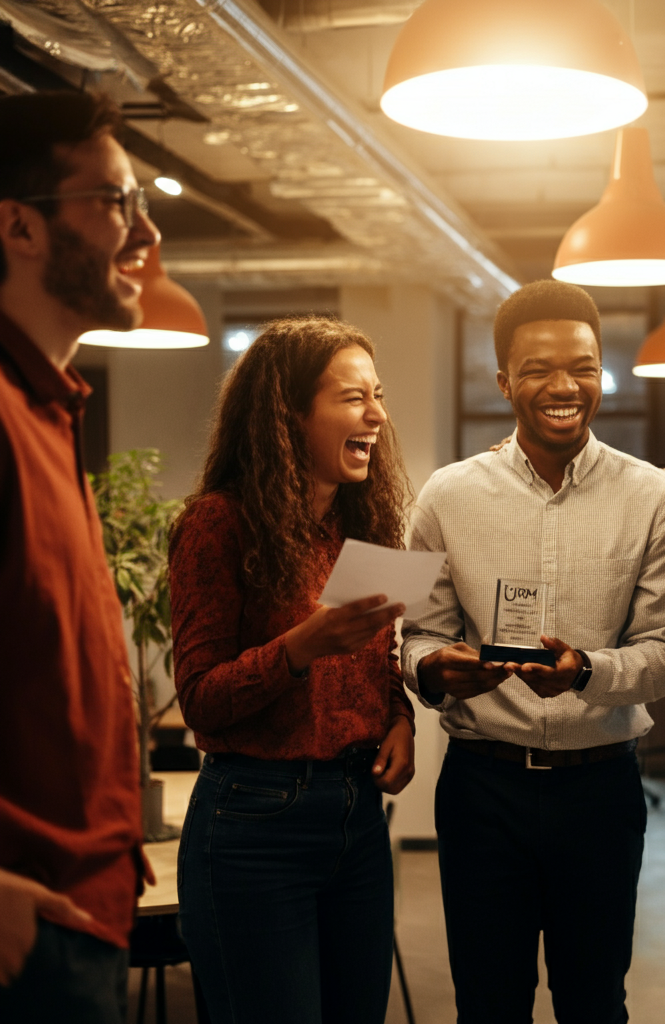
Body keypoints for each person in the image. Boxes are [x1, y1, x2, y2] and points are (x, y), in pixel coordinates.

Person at [401, 279, 665, 1024]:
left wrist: (587, 672)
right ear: (504, 380)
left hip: (600, 793)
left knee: (595, 1001)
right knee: (488, 1002)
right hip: (481, 791)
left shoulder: (652, 494)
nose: (565, 386)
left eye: (584, 367)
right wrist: (436, 670)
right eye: (537, 369)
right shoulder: (445, 496)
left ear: (603, 373)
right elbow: (418, 635)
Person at [169, 315, 416, 1024]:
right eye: (352, 397)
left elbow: (378, 659)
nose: (376, 415)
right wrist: (299, 648)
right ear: (288, 414)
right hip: (253, 824)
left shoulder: (362, 525)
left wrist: (399, 718)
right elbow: (201, 700)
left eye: (378, 394)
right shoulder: (218, 524)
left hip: (357, 819)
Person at [0, 91, 161, 1020]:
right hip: (28, 922)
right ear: (20, 226)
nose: (143, 234)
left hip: (84, 915)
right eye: (114, 201)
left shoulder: (47, 408)